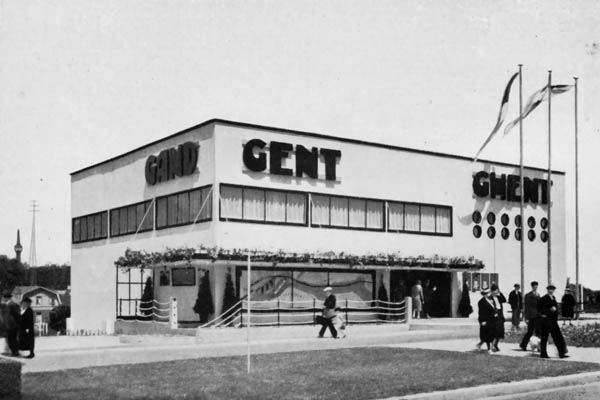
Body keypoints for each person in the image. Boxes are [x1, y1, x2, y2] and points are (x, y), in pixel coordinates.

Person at [538, 284, 568, 359]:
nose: (551, 290)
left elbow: (556, 308)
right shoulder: (544, 298)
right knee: (544, 337)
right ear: (547, 290)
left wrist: (555, 313)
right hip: (546, 320)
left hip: (553, 320)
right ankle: (543, 353)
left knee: (557, 336)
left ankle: (561, 353)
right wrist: (549, 310)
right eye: (550, 289)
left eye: (552, 289)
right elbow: (540, 309)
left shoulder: (553, 298)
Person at [519, 281, 541, 351]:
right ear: (532, 287)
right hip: (531, 316)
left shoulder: (538, 295)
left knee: (539, 332)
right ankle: (523, 345)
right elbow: (527, 307)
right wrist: (527, 318)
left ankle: (539, 347)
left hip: (537, 316)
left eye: (536, 286)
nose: (535, 287)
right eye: (534, 286)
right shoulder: (528, 295)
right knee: (530, 332)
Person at [476, 288, 496, 353]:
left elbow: (494, 308)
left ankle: (480, 344)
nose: (489, 294)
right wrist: (482, 321)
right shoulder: (481, 302)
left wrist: (495, 313)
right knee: (487, 335)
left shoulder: (491, 300)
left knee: (492, 334)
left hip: (492, 320)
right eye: (487, 293)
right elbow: (481, 312)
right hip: (485, 320)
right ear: (484, 294)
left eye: (489, 292)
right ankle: (489, 349)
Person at [1, 292, 21, 356]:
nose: (3, 299)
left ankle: (15, 352)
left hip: (13, 325)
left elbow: (17, 315)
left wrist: (17, 323)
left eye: (4, 297)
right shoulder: (7, 305)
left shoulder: (12, 305)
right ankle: (14, 351)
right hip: (9, 325)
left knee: (12, 339)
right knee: (11, 339)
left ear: (7, 298)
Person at [490, 284, 506, 352]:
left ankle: (496, 344)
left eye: (497, 290)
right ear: (492, 291)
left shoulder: (499, 297)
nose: (496, 292)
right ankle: (492, 346)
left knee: (500, 331)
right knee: (495, 331)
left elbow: (504, 300)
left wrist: (500, 293)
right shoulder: (490, 298)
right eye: (495, 290)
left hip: (500, 315)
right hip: (494, 316)